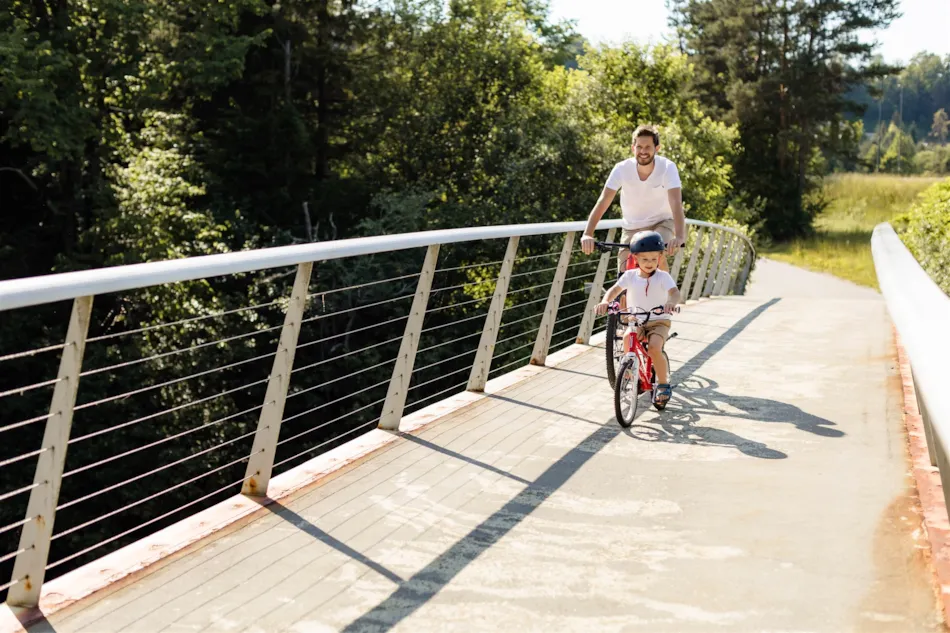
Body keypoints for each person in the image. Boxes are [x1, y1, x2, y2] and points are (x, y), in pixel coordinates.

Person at [580, 125, 686, 275]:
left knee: (654, 250)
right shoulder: (621, 169)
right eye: (639, 147)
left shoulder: (668, 168)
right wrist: (588, 233)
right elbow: (604, 201)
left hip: (662, 222)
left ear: (657, 148)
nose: (643, 151)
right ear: (633, 148)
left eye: (648, 147)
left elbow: (676, 203)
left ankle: (667, 293)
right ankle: (624, 298)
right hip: (632, 226)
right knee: (624, 275)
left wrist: (680, 236)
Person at [594, 231, 681, 407]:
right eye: (645, 259)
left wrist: (671, 302)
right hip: (636, 320)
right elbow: (614, 290)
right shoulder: (630, 276)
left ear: (660, 257)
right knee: (627, 337)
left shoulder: (663, 277)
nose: (649, 264)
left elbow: (674, 292)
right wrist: (605, 301)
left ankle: (663, 384)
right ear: (635, 258)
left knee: (655, 348)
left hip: (659, 321)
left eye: (653, 259)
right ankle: (630, 371)